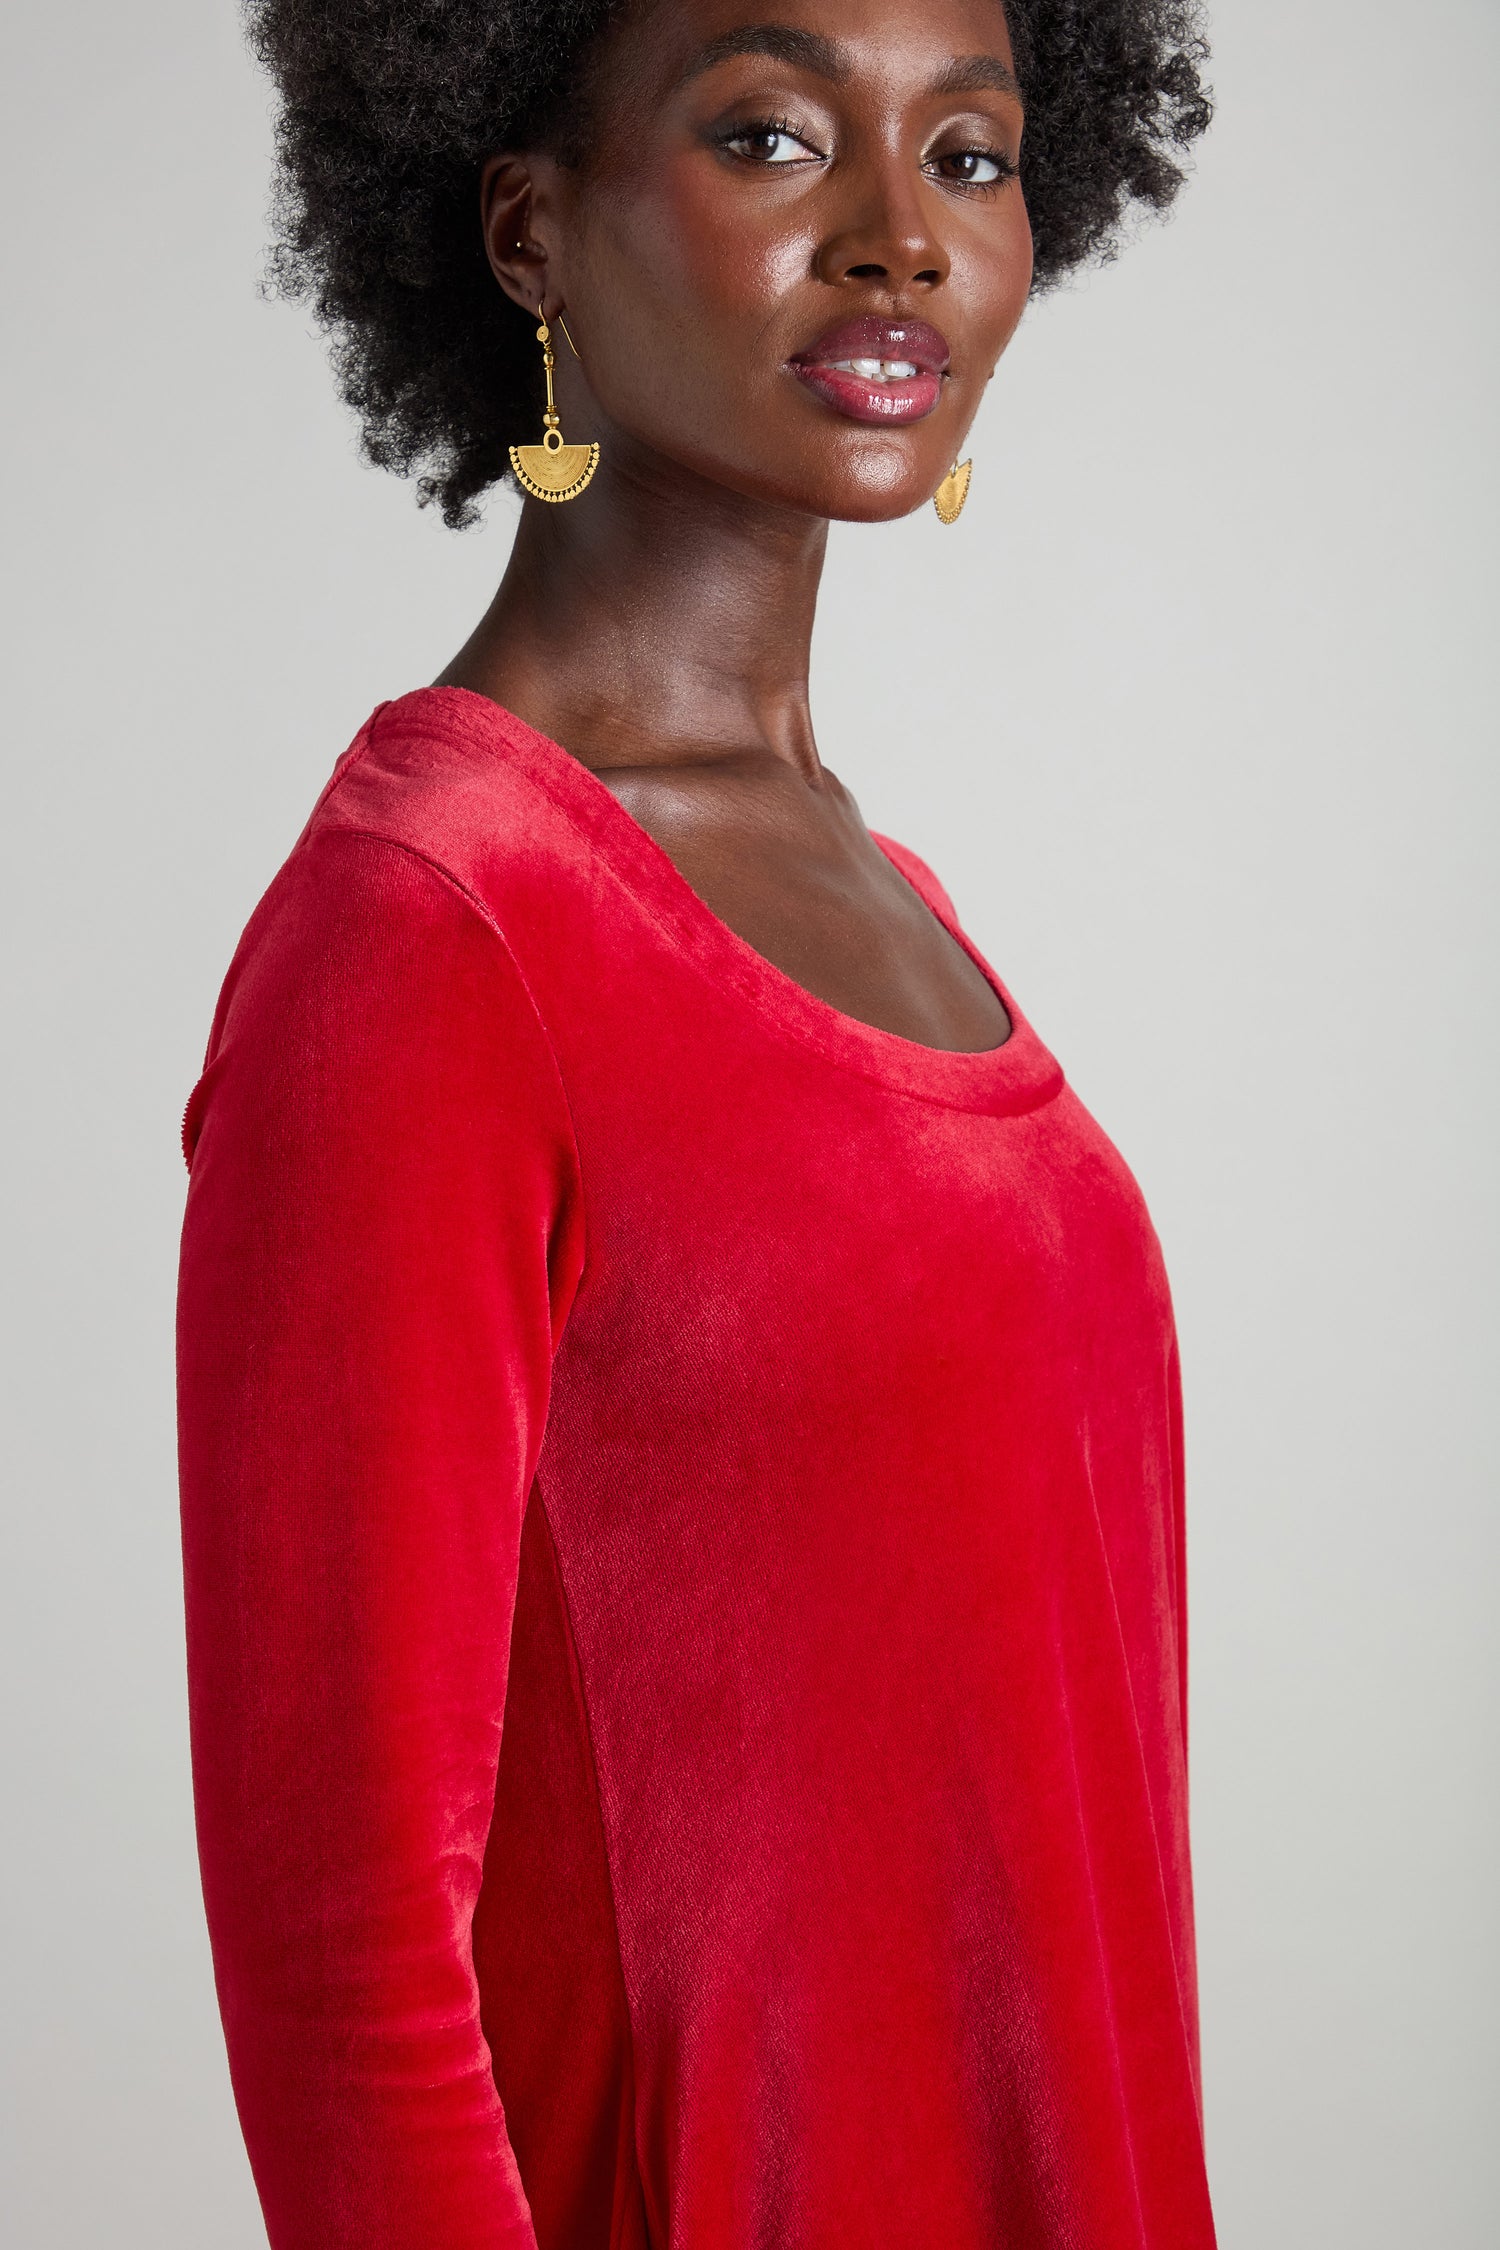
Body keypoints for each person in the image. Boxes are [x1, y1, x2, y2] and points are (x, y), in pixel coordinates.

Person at [176, 1, 1216, 2243]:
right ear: (529, 229)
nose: (897, 242)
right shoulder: (437, 930)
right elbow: (342, 1950)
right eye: (770, 134)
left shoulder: (880, 883)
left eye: (968, 156)